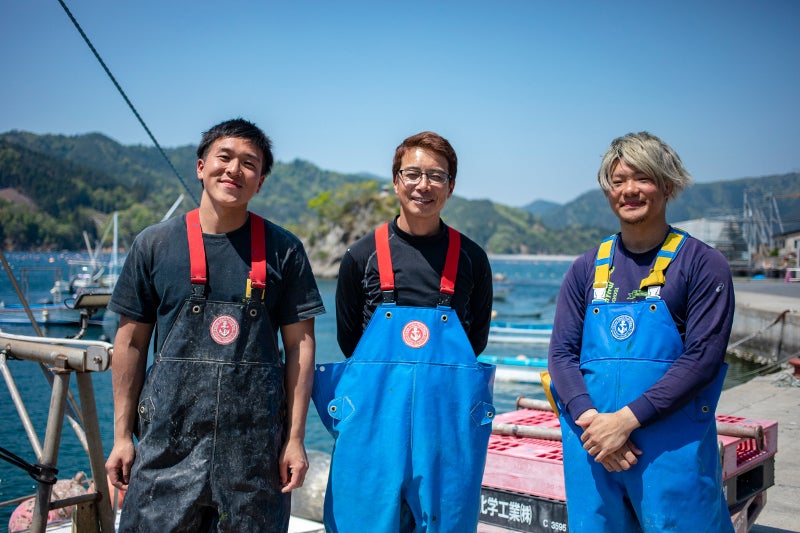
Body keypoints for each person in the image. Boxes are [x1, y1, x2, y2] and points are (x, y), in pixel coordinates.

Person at [104, 118, 325, 532]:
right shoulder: (154, 244)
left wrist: (295, 439)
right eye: (224, 157)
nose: (234, 170)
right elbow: (130, 343)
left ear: (260, 182)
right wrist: (120, 438)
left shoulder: (285, 250)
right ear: (200, 166)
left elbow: (301, 346)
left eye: (249, 163)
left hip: (255, 454)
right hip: (166, 448)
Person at [547, 131, 735, 532]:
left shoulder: (703, 264)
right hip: (594, 450)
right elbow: (561, 355)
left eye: (643, 178)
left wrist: (625, 422)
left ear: (668, 186)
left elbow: (702, 360)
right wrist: (595, 424)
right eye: (618, 181)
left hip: (672, 456)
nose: (629, 190)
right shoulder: (585, 268)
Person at [313, 131, 495, 532]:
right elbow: (350, 343)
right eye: (412, 174)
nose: (423, 185)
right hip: (372, 424)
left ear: (451, 186)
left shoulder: (472, 259)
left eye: (436, 176)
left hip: (447, 426)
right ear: (396, 181)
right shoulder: (360, 256)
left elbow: (474, 344)